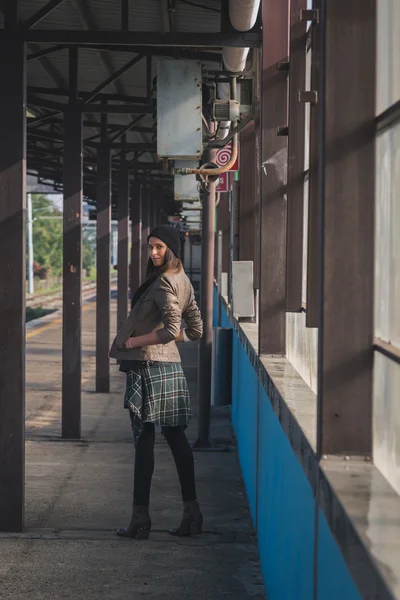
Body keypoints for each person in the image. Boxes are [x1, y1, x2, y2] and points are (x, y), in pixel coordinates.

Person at [109, 225, 203, 540]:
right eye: (151, 247)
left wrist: (135, 342)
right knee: (176, 440)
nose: (154, 253)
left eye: (160, 247)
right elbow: (195, 329)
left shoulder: (163, 282)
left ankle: (140, 519)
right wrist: (167, 342)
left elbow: (172, 327)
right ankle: (192, 514)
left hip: (147, 366)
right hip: (169, 367)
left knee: (144, 441)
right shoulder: (183, 281)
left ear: (173, 249)